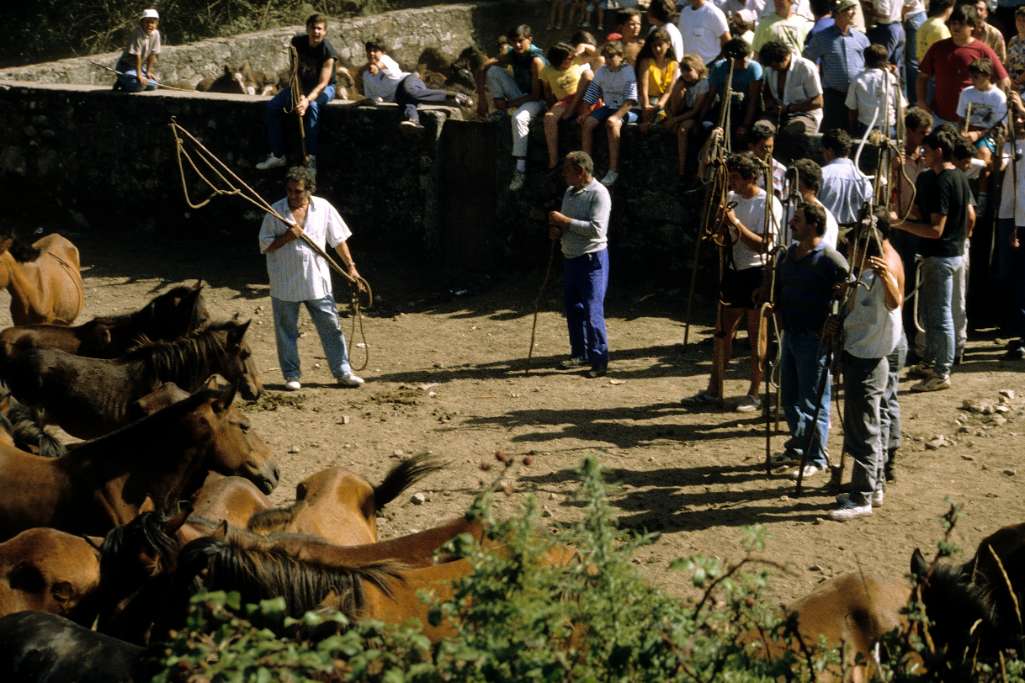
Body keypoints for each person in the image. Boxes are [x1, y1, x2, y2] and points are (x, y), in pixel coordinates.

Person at [685, 153, 781, 412]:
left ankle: (754, 392)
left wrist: (735, 223)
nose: (732, 183)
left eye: (736, 178)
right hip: (733, 271)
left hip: (757, 273)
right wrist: (719, 224)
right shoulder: (730, 198)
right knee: (722, 332)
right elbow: (720, 234)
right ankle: (714, 389)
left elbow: (764, 245)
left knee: (756, 336)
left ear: (751, 178)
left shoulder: (768, 203)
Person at [258, 166, 365, 390]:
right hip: (284, 282)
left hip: (317, 281)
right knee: (286, 331)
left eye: (298, 191)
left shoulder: (323, 208)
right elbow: (265, 245)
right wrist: (288, 237)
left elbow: (338, 240)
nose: (293, 196)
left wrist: (351, 267)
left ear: (309, 190)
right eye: (289, 191)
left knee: (331, 327)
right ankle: (291, 376)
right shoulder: (275, 211)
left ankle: (343, 372)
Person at [829, 217, 903, 520]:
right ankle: (875, 487)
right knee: (863, 427)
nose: (848, 251)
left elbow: (894, 302)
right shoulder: (860, 277)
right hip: (857, 356)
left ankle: (862, 497)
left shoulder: (881, 277)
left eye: (852, 247)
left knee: (864, 432)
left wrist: (886, 277)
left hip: (869, 360)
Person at [890, 128, 975, 392]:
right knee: (930, 313)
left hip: (942, 257)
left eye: (926, 151)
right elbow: (924, 213)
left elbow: (936, 230)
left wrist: (900, 224)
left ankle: (941, 372)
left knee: (940, 316)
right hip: (947, 255)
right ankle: (931, 362)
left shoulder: (944, 182)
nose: (922, 154)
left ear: (939, 151)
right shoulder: (954, 177)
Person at [771, 201, 849, 479]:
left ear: (814, 225)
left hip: (814, 340)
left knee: (813, 401)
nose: (791, 223)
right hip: (790, 335)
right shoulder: (788, 256)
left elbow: (848, 293)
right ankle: (799, 445)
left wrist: (834, 326)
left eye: (798, 219)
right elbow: (780, 288)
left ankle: (817, 457)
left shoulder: (830, 259)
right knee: (789, 398)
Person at [548, 151, 613, 377]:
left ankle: (599, 360)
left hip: (591, 259)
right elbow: (567, 225)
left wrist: (564, 221)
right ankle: (580, 353)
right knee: (574, 309)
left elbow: (597, 230)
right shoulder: (570, 192)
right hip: (571, 258)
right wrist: (557, 230)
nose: (564, 175)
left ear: (580, 172)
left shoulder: (599, 194)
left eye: (567, 170)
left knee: (593, 311)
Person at [257, 15, 337, 171]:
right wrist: (299, 93)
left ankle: (311, 158)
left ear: (325, 32)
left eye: (319, 29)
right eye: (313, 28)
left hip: (324, 88)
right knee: (272, 107)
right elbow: (294, 72)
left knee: (313, 107)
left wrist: (307, 100)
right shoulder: (297, 43)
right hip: (301, 86)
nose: (316, 32)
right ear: (307, 29)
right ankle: (277, 155)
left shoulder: (328, 52)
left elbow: (323, 83)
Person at [474, 25, 547, 192]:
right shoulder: (513, 54)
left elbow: (536, 95)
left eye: (521, 41)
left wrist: (508, 104)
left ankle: (520, 169)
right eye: (514, 42)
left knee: (519, 118)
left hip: (539, 101)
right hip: (522, 94)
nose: (517, 45)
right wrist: (482, 99)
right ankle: (500, 110)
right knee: (493, 71)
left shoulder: (536, 60)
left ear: (530, 39)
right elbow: (483, 67)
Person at [917, 4, 1010, 127]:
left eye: (961, 24)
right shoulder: (938, 48)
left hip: (972, 124)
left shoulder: (982, 50)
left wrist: (996, 112)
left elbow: (1004, 80)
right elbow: (922, 77)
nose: (956, 27)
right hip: (940, 118)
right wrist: (921, 101)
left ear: (972, 26)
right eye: (953, 23)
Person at [360, 41, 473, 129]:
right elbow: (374, 98)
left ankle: (454, 96)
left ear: (382, 52)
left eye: (375, 50)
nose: (371, 53)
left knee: (409, 91)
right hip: (399, 95)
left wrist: (377, 67)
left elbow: (384, 65)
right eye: (369, 51)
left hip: (409, 81)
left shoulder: (386, 60)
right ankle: (414, 121)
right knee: (406, 101)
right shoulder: (366, 76)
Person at [803, 0, 870, 131]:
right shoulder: (822, 37)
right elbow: (807, 60)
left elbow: (868, 64)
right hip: (833, 96)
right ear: (838, 13)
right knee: (833, 132)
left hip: (858, 96)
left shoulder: (861, 38)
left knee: (856, 132)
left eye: (853, 9)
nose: (853, 13)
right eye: (849, 10)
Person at [579, 40, 639, 186]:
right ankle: (586, 167)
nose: (607, 60)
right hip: (609, 107)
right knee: (588, 123)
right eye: (606, 57)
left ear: (621, 56)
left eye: (611, 57)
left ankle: (613, 169)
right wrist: (585, 111)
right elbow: (592, 92)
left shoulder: (628, 71)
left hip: (628, 109)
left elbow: (631, 99)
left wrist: (616, 117)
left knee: (612, 124)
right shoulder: (601, 71)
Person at [542, 43, 594, 170]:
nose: (570, 60)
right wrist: (552, 107)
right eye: (567, 58)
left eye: (571, 57)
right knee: (549, 118)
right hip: (564, 101)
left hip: (582, 97)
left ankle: (586, 163)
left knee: (588, 74)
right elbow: (547, 92)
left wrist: (581, 46)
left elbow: (595, 52)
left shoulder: (576, 60)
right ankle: (553, 160)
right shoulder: (546, 71)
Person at [758, 40, 824, 136]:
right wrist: (770, 104)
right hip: (777, 114)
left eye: (775, 66)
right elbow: (766, 93)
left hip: (805, 115)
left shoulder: (805, 67)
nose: (773, 69)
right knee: (760, 129)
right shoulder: (769, 69)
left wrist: (789, 108)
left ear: (785, 58)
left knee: (791, 132)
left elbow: (818, 102)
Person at [704, 38, 763, 143]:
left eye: (747, 58)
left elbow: (753, 100)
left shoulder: (754, 68)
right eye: (741, 60)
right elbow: (710, 96)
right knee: (706, 126)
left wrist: (745, 125)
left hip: (744, 108)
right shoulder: (718, 68)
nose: (745, 62)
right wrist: (701, 118)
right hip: (724, 105)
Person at [664, 54, 711, 175]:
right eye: (683, 71)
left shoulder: (704, 83)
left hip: (697, 115)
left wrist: (674, 120)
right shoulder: (682, 82)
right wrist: (670, 116)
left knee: (683, 129)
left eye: (688, 70)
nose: (685, 74)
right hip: (682, 111)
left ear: (698, 69)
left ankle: (682, 168)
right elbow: (666, 105)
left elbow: (695, 111)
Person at [846, 43, 907, 135]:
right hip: (888, 128)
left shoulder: (858, 80)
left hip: (866, 129)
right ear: (885, 61)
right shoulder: (891, 78)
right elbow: (901, 106)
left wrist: (853, 130)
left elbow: (852, 108)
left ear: (865, 60)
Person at [818, 128, 873, 226]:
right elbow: (869, 207)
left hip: (826, 230)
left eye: (823, 151)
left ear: (829, 151)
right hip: (853, 232)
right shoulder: (863, 178)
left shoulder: (822, 174)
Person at [786, 158, 840, 248]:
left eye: (797, 187)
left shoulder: (826, 219)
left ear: (813, 188)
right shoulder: (788, 211)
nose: (791, 191)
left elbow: (823, 252)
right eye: (790, 185)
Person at [636, 29, 680, 132]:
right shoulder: (646, 62)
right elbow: (644, 87)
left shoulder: (673, 64)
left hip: (664, 101)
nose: (657, 49)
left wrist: (660, 104)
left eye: (660, 45)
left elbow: (669, 91)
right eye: (654, 46)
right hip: (647, 99)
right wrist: (646, 105)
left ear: (668, 44)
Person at [114, 9, 161, 93]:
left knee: (153, 85)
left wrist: (148, 72)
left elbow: (152, 54)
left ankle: (128, 80)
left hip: (139, 68)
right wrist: (139, 76)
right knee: (138, 86)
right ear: (142, 23)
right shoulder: (137, 33)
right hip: (126, 66)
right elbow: (137, 55)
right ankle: (122, 81)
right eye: (147, 22)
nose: (150, 25)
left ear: (156, 24)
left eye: (152, 22)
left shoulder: (156, 34)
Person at [678, 0, 732, 66]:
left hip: (710, 65)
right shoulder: (684, 12)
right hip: (688, 66)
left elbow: (727, 41)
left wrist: (719, 65)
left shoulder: (713, 12)